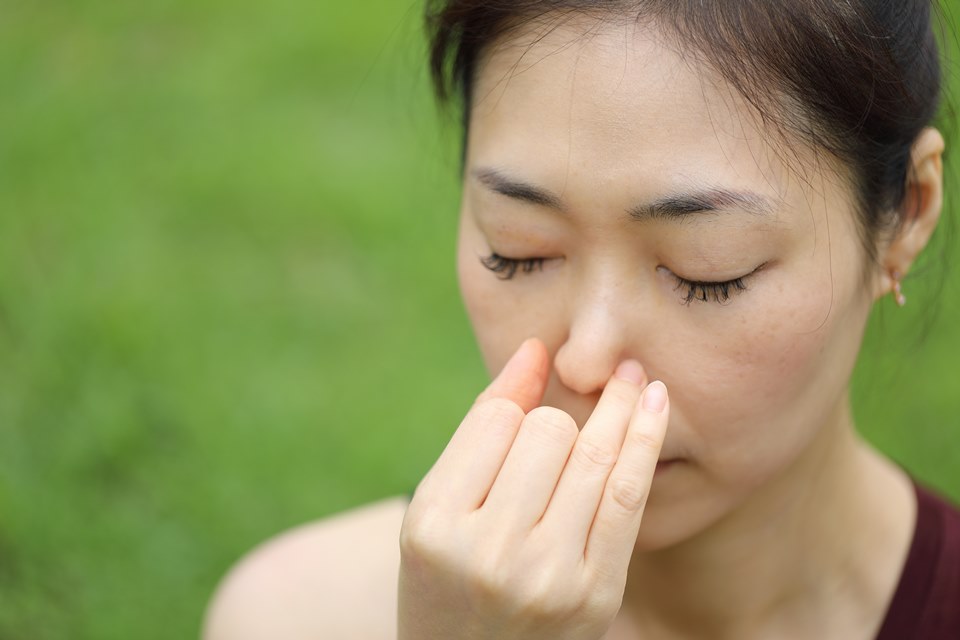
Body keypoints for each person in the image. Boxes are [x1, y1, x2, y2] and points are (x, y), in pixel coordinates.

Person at [203, 1, 960, 638]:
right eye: (520, 252)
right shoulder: (293, 614)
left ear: (907, 213)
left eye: (707, 271)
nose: (587, 359)